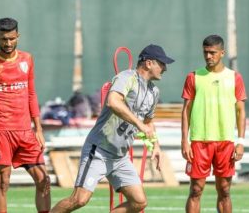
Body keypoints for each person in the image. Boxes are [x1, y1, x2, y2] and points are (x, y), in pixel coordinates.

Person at [50, 44, 175, 213]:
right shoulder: (126, 77)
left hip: (120, 157)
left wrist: (155, 145)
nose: (165, 68)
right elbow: (113, 101)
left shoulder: (154, 92)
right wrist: (139, 124)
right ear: (148, 63)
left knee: (139, 202)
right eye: (161, 63)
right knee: (79, 199)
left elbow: (148, 122)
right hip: (99, 150)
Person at [0, 17, 50, 213]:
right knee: (3, 183)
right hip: (2, 133)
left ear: (18, 36)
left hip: (26, 132)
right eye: (3, 39)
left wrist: (39, 129)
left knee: (44, 180)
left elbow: (32, 94)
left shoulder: (27, 59)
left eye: (11, 39)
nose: (8, 43)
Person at [181, 35, 247, 213]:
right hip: (199, 142)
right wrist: (184, 140)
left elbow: (241, 111)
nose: (208, 56)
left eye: (212, 53)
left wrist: (240, 141)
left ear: (222, 53)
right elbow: (186, 110)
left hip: (225, 142)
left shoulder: (235, 78)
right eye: (205, 52)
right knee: (195, 190)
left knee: (225, 190)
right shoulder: (193, 77)